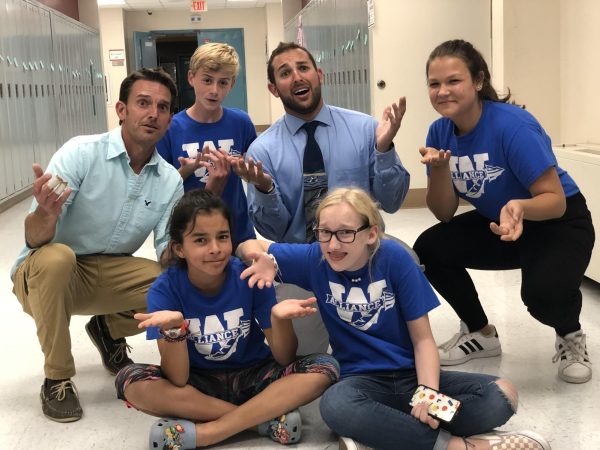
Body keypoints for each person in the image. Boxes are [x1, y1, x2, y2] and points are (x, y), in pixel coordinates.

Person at [238, 187, 551, 450]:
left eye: (346, 233)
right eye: (325, 232)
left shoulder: (395, 260)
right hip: (362, 383)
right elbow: (248, 244)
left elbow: (423, 339)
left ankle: (383, 433)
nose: (333, 244)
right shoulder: (315, 258)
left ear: (371, 233)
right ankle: (459, 446)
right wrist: (257, 257)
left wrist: (427, 395)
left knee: (502, 395)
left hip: (412, 377)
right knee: (335, 406)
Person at [413, 39, 594, 384]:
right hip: (501, 223)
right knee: (430, 249)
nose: (442, 91)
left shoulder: (512, 126)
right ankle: (481, 335)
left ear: (479, 80)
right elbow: (444, 212)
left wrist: (519, 206)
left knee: (542, 296)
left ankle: (570, 335)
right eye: (434, 84)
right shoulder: (439, 131)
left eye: (454, 81)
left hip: (558, 221)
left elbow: (554, 199)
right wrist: (438, 170)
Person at [10, 68, 185, 423]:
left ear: (169, 119)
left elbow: (167, 253)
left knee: (162, 279)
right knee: (58, 257)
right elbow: (34, 239)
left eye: (163, 107)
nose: (153, 113)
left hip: (106, 272)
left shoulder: (168, 181)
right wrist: (46, 213)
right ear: (122, 109)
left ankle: (107, 329)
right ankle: (57, 377)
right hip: (46, 274)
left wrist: (199, 249)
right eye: (143, 103)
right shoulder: (81, 153)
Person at [114, 189, 339, 449]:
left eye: (222, 237)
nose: (215, 249)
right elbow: (177, 378)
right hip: (198, 384)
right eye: (200, 240)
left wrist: (279, 318)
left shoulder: (248, 276)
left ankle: (210, 432)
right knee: (129, 379)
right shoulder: (164, 290)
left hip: (254, 376)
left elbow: (284, 358)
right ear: (179, 248)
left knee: (326, 367)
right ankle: (261, 420)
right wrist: (175, 330)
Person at [231, 41, 412, 354]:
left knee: (408, 260)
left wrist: (383, 150)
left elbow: (393, 202)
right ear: (274, 89)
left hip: (362, 253)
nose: (297, 77)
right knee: (301, 360)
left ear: (319, 74)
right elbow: (274, 232)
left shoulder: (366, 129)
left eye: (303, 68)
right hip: (304, 260)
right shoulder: (264, 151)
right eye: (285, 73)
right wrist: (265, 188)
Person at [157, 42, 257, 248]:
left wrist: (245, 171)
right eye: (207, 80)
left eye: (223, 83)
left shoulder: (241, 122)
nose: (214, 90)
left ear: (232, 84)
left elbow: (253, 173)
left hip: (237, 228)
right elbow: (159, 189)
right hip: (192, 231)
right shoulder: (170, 128)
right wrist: (183, 172)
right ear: (191, 77)